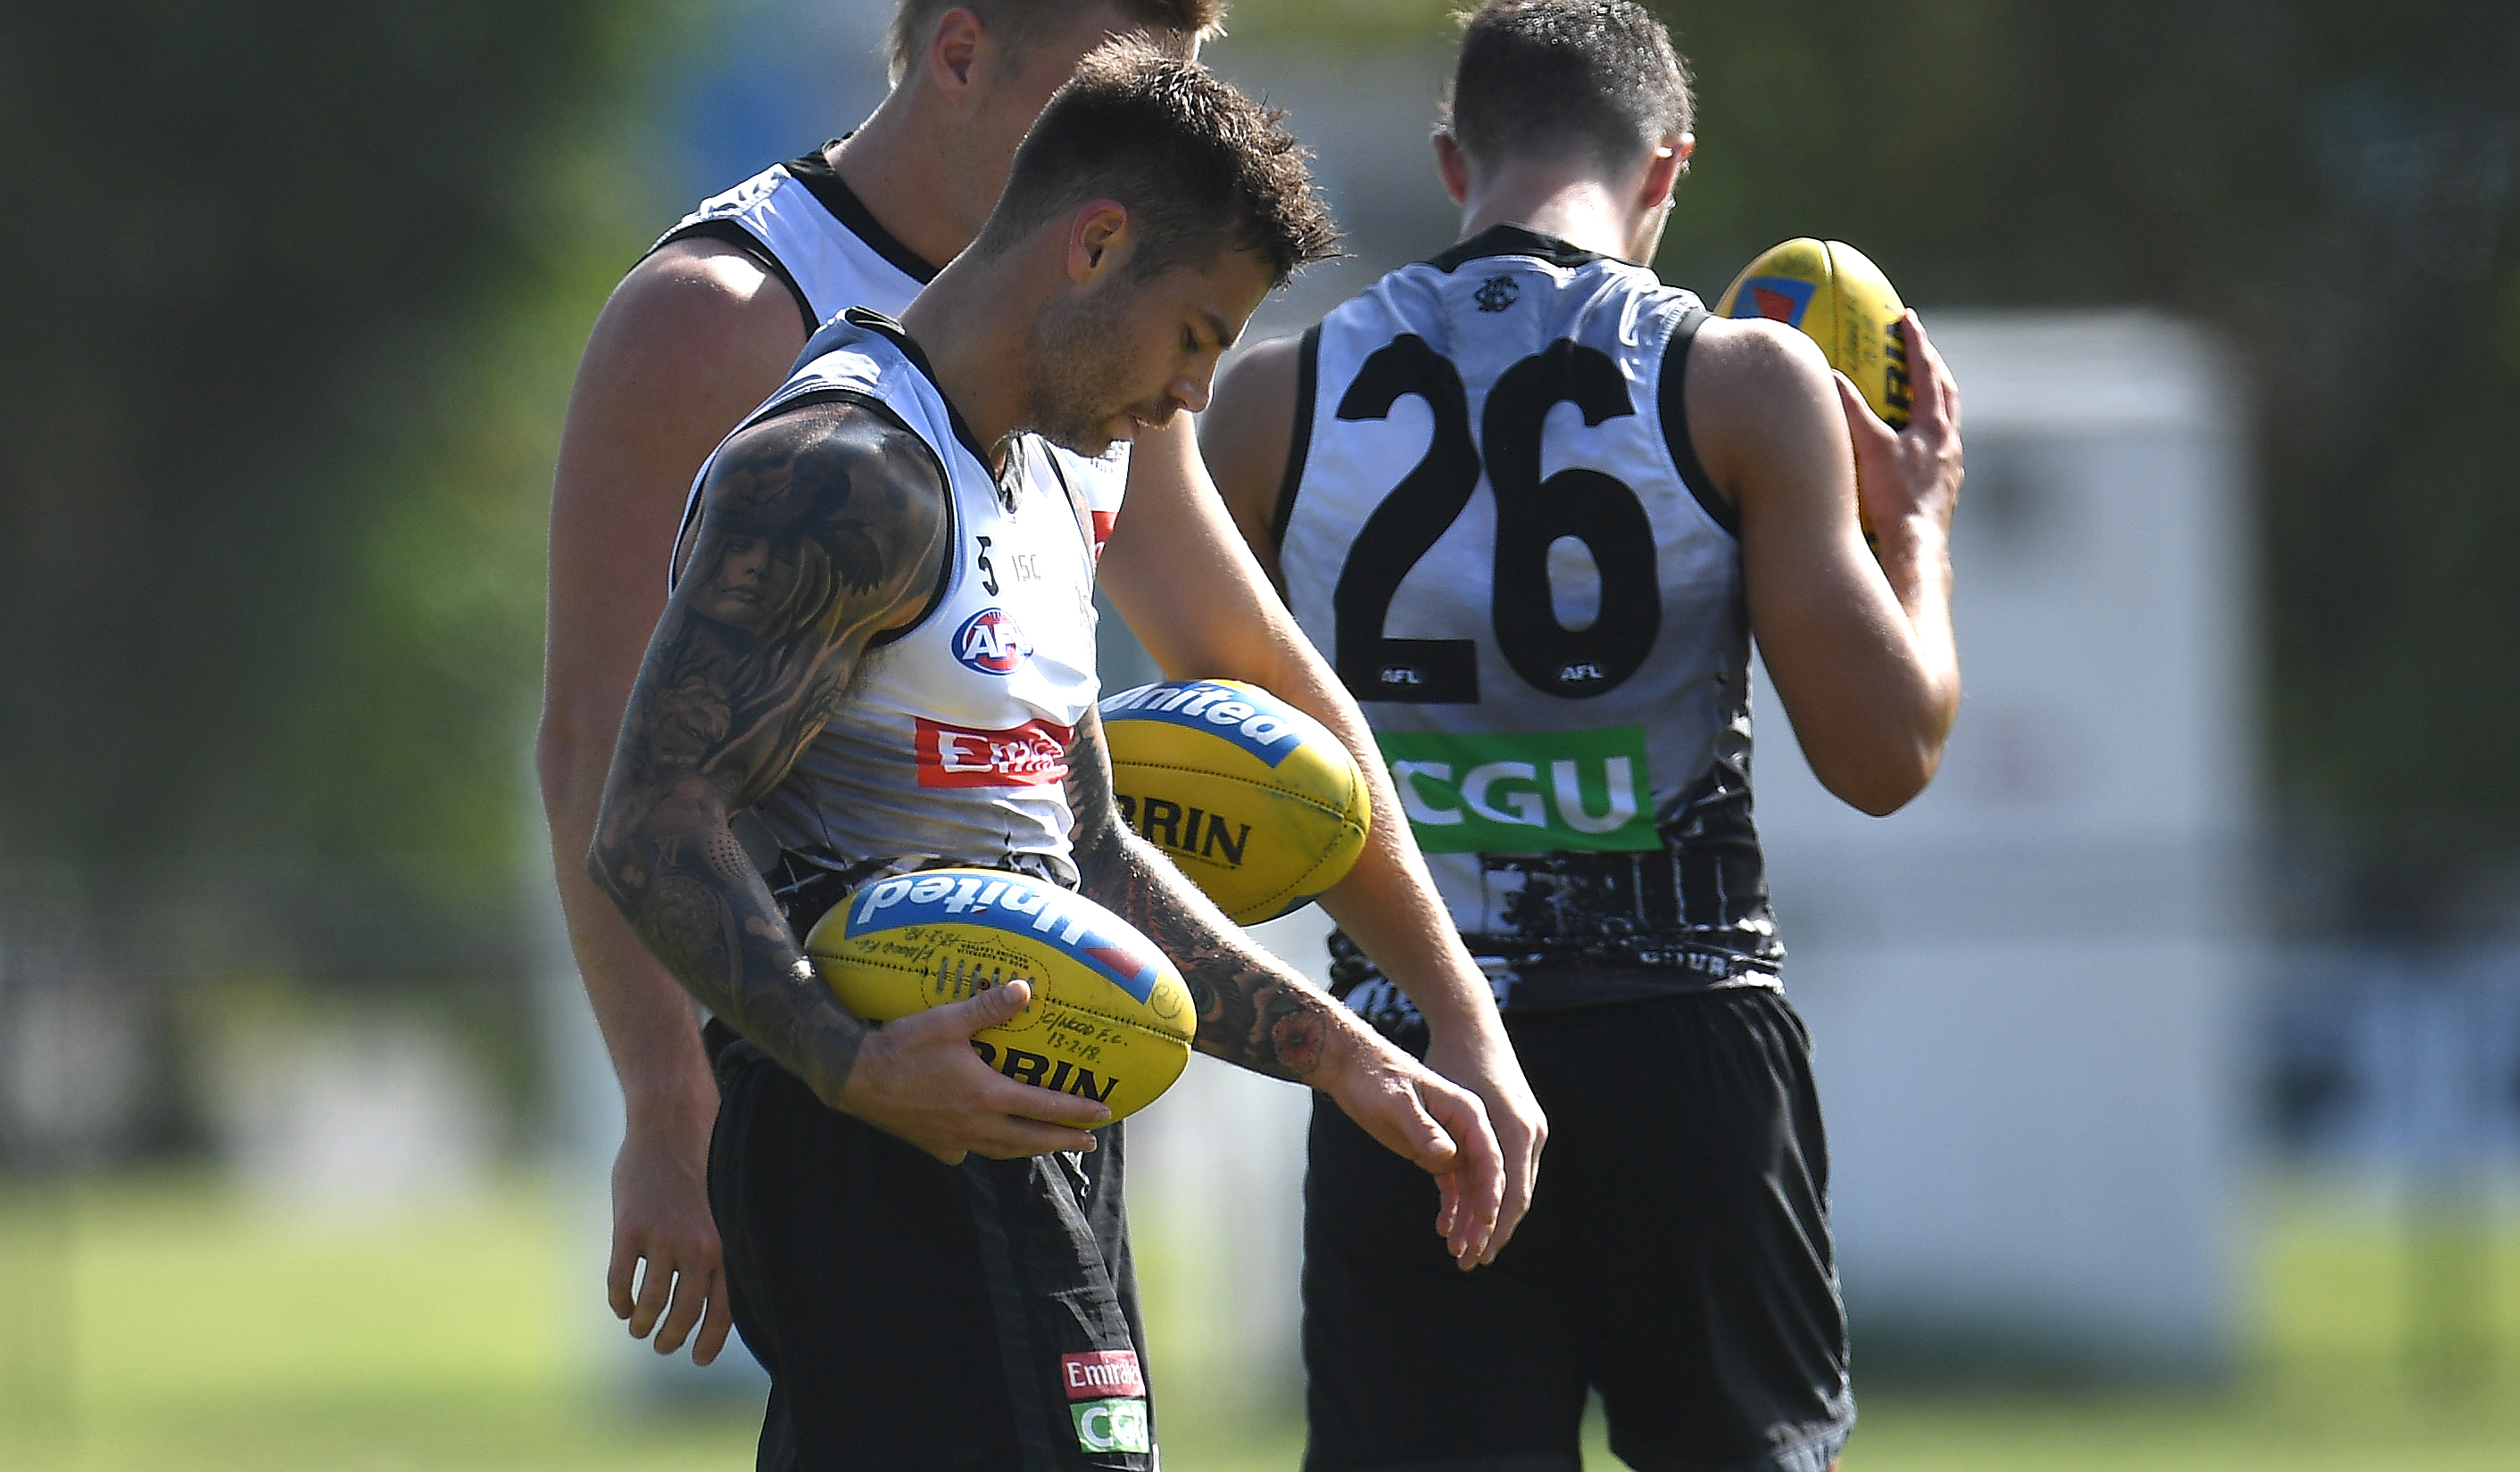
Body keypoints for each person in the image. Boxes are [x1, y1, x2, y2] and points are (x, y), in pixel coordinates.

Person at [539, 0, 1544, 1372]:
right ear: (961, 54)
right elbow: (608, 757)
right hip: (852, 1105)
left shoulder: (1095, 361)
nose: (1160, 134)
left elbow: (1224, 690)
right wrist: (670, 1102)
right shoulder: (730, 318)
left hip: (1032, 1089)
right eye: (1124, 87)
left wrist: (1441, 1011)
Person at [1198, 4, 1965, 1470]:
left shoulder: (1269, 401)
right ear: (1665, 173)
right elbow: (1884, 755)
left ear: (1450, 160)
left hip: (1409, 1055)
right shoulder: (1744, 380)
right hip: (1682, 1035)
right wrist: (1915, 529)